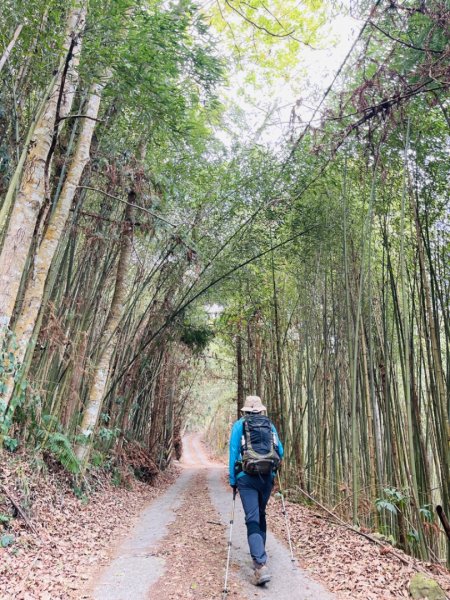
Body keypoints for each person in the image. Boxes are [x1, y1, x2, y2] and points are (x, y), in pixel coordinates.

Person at [228, 395, 284, 586]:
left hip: (246, 477)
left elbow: (234, 452)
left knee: (252, 517)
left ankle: (260, 565)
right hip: (267, 477)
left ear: (245, 411)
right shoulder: (270, 425)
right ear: (260, 410)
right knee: (261, 514)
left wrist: (233, 480)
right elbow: (280, 451)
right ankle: (260, 552)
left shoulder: (239, 425)